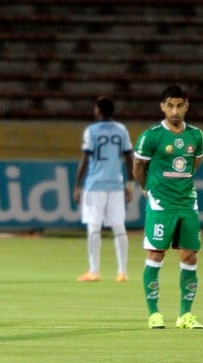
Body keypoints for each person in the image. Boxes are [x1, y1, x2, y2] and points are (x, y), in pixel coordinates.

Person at [133, 85, 203, 329]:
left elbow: (194, 165)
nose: (175, 111)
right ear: (162, 106)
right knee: (155, 254)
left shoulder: (196, 135)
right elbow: (138, 168)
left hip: (187, 204)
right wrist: (149, 190)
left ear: (187, 106)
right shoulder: (151, 136)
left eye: (180, 105)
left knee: (189, 256)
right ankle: (154, 313)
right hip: (161, 204)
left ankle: (185, 315)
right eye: (170, 106)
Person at [73, 96, 134, 283]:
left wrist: (77, 185)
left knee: (94, 227)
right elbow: (129, 156)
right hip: (116, 184)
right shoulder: (121, 130)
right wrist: (130, 182)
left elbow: (85, 158)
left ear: (98, 110)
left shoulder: (92, 131)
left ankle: (94, 271)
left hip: (95, 184)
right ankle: (122, 272)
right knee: (119, 227)